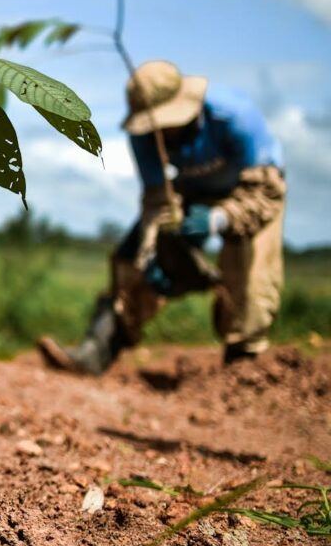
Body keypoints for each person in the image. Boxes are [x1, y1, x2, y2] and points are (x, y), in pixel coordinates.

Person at [38, 60, 286, 375]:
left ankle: (243, 366)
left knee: (252, 275)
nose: (160, 133)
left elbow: (266, 192)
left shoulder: (234, 116)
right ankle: (97, 350)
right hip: (189, 191)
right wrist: (153, 250)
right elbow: (157, 198)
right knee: (130, 262)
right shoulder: (143, 138)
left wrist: (219, 219)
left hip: (250, 191)